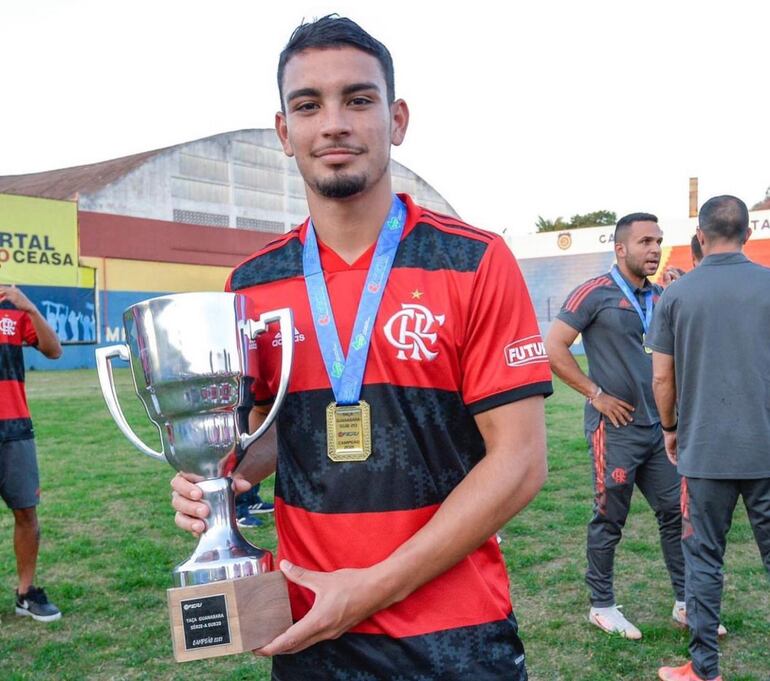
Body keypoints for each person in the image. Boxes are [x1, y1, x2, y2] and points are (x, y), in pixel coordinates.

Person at [171, 15, 551, 679]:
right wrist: (220, 479)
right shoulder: (251, 285)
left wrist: (369, 588)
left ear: (397, 119)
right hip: (313, 628)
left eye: (358, 99)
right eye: (308, 105)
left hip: (455, 639)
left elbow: (518, 461)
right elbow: (274, 435)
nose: (334, 124)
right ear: (285, 132)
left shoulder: (474, 260)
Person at [545, 213, 687, 640]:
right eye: (645, 241)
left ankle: (686, 601)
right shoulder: (595, 293)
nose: (654, 249)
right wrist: (595, 394)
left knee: (676, 515)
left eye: (658, 241)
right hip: (617, 429)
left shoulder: (661, 297)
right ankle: (602, 605)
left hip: (659, 428)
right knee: (609, 518)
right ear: (620, 248)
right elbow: (553, 347)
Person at [648, 195, 770, 681]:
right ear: (748, 233)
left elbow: (662, 379)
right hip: (764, 447)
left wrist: (670, 428)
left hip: (704, 451)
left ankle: (703, 671)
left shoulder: (678, 295)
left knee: (703, 559)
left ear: (700, 237)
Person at [0, 284, 62, 622]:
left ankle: (25, 593)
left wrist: (31, 309)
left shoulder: (13, 306)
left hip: (15, 428)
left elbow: (54, 351)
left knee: (26, 513)